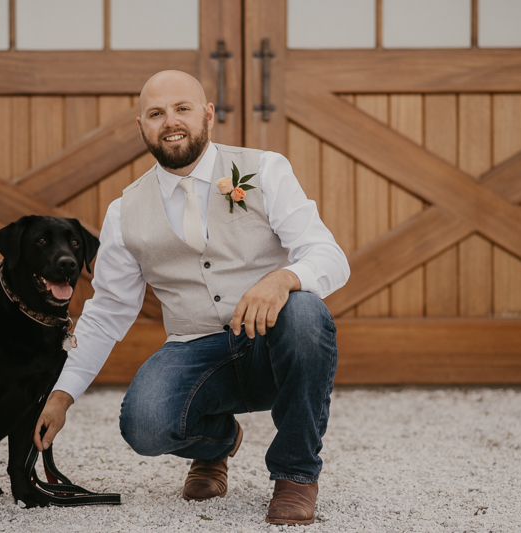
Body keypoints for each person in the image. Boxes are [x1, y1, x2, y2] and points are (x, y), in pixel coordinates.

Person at [33, 70, 350, 526]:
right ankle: (217, 443)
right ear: (141, 126)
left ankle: (296, 475)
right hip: (195, 349)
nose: (171, 121)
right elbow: (106, 312)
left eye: (182, 108)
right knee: (141, 424)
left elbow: (329, 255)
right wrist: (62, 394)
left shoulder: (266, 169)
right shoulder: (124, 212)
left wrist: (282, 279)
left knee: (305, 312)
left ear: (208, 115)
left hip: (271, 343)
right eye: (157, 113)